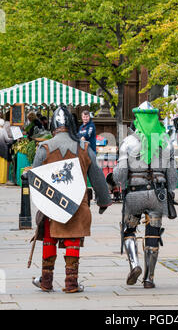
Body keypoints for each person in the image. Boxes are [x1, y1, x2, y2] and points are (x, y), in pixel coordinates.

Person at [31, 105, 112, 293]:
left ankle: (46, 282)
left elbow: (34, 177)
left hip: (51, 205)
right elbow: (98, 177)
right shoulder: (83, 147)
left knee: (49, 239)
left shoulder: (44, 148)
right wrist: (103, 201)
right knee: (73, 240)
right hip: (77, 205)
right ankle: (71, 284)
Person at [113, 102, 178, 289]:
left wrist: (117, 180)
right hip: (158, 194)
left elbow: (120, 175)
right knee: (153, 235)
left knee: (128, 230)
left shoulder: (129, 142)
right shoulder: (165, 142)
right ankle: (149, 278)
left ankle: (134, 264)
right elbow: (172, 173)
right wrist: (170, 193)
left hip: (135, 192)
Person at [0, 119, 13, 184]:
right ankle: (2, 180)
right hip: (2, 150)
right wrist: (13, 139)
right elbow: (7, 140)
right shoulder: (3, 130)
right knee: (3, 165)